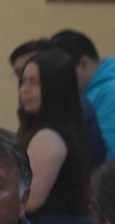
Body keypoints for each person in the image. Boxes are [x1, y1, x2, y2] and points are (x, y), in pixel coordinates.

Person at [17, 49, 91, 224]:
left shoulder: (50, 136)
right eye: (23, 81)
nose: (24, 89)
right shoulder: (55, 129)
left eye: (35, 82)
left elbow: (29, 200)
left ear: (56, 88)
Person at [10, 38, 105, 166]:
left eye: (34, 80)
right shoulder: (34, 117)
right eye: (22, 77)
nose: (24, 88)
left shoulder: (52, 134)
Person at [50, 29, 115, 161]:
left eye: (63, 72)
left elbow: (109, 155)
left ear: (83, 64)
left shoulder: (111, 92)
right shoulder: (85, 89)